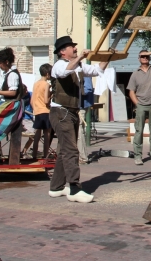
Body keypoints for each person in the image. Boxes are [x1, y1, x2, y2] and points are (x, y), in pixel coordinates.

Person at [48, 35, 108, 203]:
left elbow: (97, 70)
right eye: (71, 47)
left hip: (71, 112)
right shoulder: (58, 65)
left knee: (64, 151)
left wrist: (108, 57)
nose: (75, 48)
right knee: (71, 150)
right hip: (60, 112)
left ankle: (56, 187)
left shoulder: (79, 65)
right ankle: (74, 189)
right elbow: (65, 71)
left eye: (75, 47)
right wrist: (81, 56)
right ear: (62, 51)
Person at [0, 48, 26, 150]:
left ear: (6, 62)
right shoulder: (9, 73)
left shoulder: (13, 75)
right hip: (9, 102)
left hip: (13, 104)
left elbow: (13, 92)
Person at [29, 63, 53, 160]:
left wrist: (36, 108)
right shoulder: (46, 84)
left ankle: (34, 155)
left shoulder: (36, 84)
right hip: (45, 111)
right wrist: (51, 95)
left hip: (37, 111)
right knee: (47, 135)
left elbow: (31, 101)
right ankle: (45, 155)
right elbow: (46, 101)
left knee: (37, 135)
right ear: (47, 74)